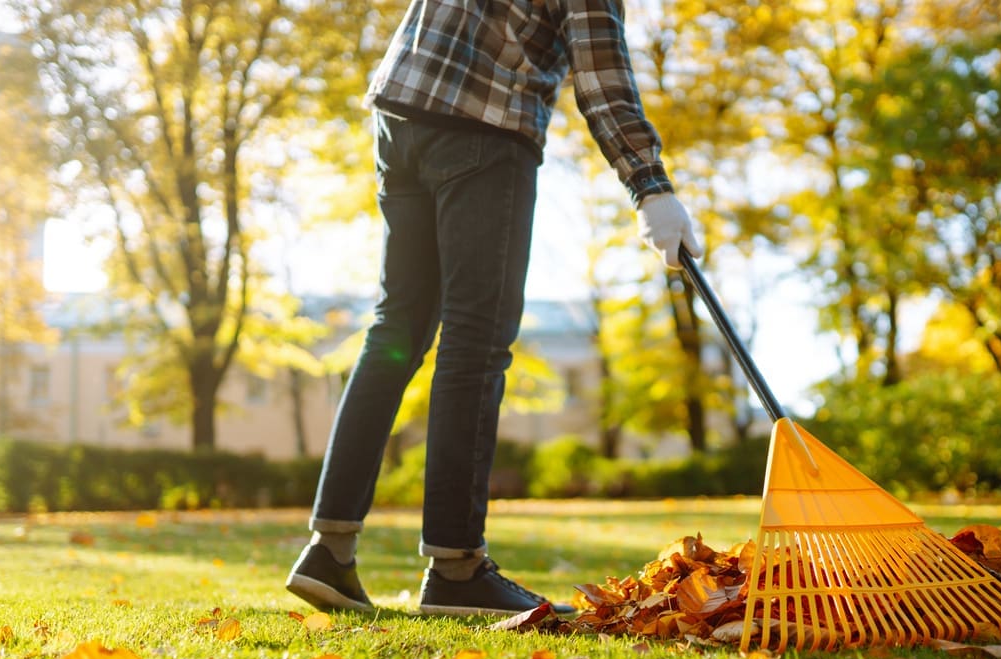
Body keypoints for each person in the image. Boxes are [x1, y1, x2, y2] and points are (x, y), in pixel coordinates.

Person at [286, 0, 702, 616]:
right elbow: (601, 73)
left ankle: (329, 550)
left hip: (403, 108)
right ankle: (457, 569)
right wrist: (651, 185)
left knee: (396, 327)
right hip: (485, 122)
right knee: (474, 340)